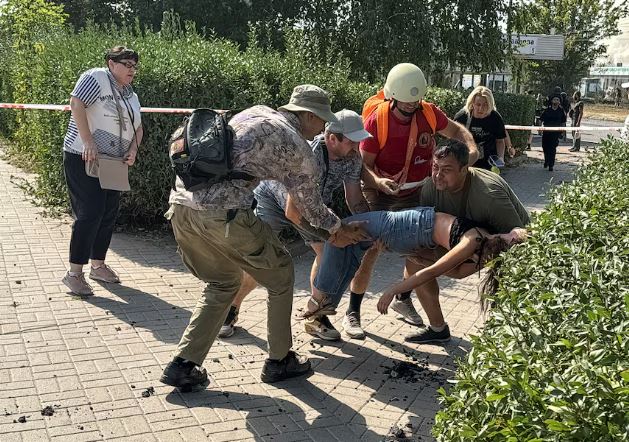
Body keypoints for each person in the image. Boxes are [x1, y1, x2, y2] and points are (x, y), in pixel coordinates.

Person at [160, 85, 369, 390]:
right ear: (308, 116)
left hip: (180, 209)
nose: (323, 128)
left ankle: (183, 364)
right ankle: (280, 361)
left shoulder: (255, 111)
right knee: (281, 273)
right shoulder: (298, 146)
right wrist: (338, 230)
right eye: (322, 120)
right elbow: (310, 208)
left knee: (222, 282)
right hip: (225, 213)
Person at [218, 109, 372, 341]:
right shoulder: (309, 155)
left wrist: (371, 226)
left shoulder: (352, 157)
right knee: (260, 259)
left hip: (314, 207)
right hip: (276, 200)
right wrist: (331, 234)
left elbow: (355, 198)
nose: (357, 146)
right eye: (353, 141)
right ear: (333, 139)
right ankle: (230, 310)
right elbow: (293, 212)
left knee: (327, 254)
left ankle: (316, 318)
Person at [347, 63, 478, 334]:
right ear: (392, 96)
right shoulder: (377, 120)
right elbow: (363, 165)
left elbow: (456, 131)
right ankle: (353, 311)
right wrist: (378, 182)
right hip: (380, 193)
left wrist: (472, 148)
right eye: (406, 102)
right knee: (370, 250)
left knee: (420, 251)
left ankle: (403, 300)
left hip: (415, 193)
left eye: (415, 101)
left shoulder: (429, 113)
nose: (411, 107)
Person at [300, 206, 526, 325]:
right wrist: (395, 288)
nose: (508, 234)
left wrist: (394, 287)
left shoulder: (483, 244)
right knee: (346, 241)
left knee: (345, 236)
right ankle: (324, 302)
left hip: (410, 228)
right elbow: (439, 271)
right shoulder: (477, 245)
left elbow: (449, 272)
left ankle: (320, 303)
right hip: (410, 228)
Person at [398, 141, 529, 343]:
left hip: (502, 241)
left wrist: (474, 261)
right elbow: (424, 230)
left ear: (464, 169)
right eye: (435, 168)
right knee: (415, 259)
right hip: (466, 236)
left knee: (502, 280)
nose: (438, 175)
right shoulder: (430, 188)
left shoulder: (488, 194)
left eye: (446, 170)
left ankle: (509, 333)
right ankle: (437, 329)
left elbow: (519, 238)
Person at [61, 46, 143, 296]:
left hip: (114, 163)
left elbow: (138, 127)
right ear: (111, 63)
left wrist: (133, 150)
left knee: (108, 213)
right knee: (90, 213)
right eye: (127, 64)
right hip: (83, 156)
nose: (132, 70)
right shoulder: (95, 77)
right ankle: (74, 274)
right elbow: (76, 103)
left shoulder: (131, 95)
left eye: (135, 66)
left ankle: (98, 266)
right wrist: (88, 141)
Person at [454, 86, 507, 170]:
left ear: (490, 105)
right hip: (467, 160)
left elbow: (500, 141)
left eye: (485, 105)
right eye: (478, 104)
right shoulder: (462, 117)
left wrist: (500, 158)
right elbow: (454, 140)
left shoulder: (495, 118)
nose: (481, 109)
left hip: (489, 162)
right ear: (472, 103)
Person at [539, 96, 567, 171]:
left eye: (557, 100)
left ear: (559, 102)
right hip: (546, 132)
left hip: (555, 133)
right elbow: (541, 119)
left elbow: (563, 122)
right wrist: (539, 129)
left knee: (552, 148)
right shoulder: (547, 110)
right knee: (545, 147)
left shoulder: (561, 111)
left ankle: (551, 164)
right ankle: (546, 161)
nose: (556, 101)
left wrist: (562, 131)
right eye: (554, 99)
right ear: (551, 101)